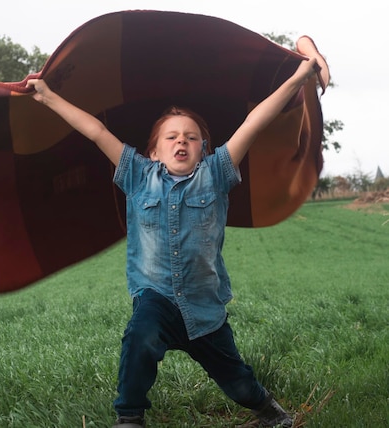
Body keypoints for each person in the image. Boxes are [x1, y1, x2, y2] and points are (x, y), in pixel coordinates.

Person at [26, 51, 319, 428]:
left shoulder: (215, 174)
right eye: (172, 136)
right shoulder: (137, 174)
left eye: (192, 137)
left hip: (204, 307)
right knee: (140, 336)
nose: (182, 141)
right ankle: (129, 418)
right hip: (156, 296)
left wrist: (297, 79)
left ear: (204, 149)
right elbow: (96, 131)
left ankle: (270, 412)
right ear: (154, 150)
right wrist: (48, 96)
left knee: (238, 382)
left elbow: (253, 122)